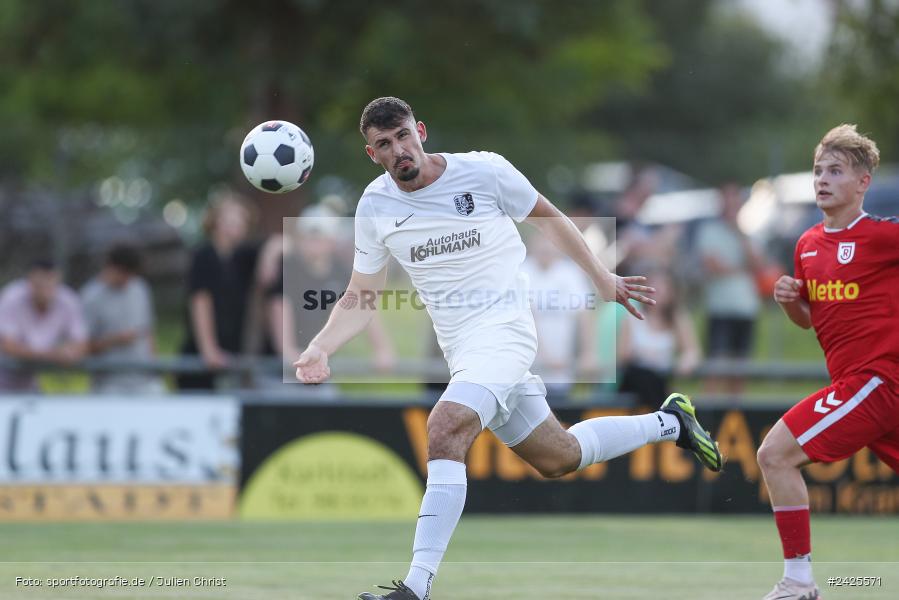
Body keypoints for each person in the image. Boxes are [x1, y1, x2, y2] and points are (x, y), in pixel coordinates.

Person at [293, 97, 723, 600]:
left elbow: (549, 217)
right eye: (384, 145)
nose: (399, 150)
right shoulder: (374, 206)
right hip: (463, 349)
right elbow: (362, 295)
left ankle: (415, 586)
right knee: (559, 456)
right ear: (372, 154)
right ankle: (672, 422)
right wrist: (321, 345)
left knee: (444, 427)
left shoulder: (484, 171)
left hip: (505, 332)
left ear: (422, 131)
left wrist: (601, 277)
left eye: (404, 136)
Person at [758, 124, 899, 600]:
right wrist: (788, 301)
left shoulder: (883, 237)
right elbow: (808, 321)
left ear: (863, 182)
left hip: (878, 381)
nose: (822, 179)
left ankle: (798, 583)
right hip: (863, 389)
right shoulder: (807, 245)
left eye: (835, 171)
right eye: (819, 170)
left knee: (775, 454)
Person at [177, 192, 261, 389]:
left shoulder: (243, 258)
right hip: (201, 358)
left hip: (232, 353)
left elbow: (276, 244)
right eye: (230, 219)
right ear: (215, 221)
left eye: (242, 220)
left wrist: (273, 251)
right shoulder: (204, 255)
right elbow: (200, 300)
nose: (236, 225)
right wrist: (209, 349)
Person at [695, 182, 763, 395]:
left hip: (746, 308)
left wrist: (740, 234)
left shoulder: (748, 233)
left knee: (740, 369)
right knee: (716, 366)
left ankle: (735, 417)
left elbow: (759, 265)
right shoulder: (709, 231)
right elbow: (713, 265)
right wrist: (742, 269)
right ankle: (705, 417)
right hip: (720, 308)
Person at [520, 234, 597, 403]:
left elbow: (584, 315)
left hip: (562, 368)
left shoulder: (570, 273)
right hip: (528, 368)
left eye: (549, 246)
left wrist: (588, 353)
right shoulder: (522, 271)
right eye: (541, 245)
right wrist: (545, 356)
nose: (545, 250)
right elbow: (526, 316)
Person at [80, 243, 164, 393]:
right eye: (124, 274)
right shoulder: (91, 297)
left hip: (144, 380)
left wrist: (154, 368)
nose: (127, 280)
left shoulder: (140, 288)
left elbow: (148, 331)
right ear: (111, 267)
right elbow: (84, 346)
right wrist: (115, 339)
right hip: (109, 384)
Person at [617, 268, 702, 406]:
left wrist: (686, 361)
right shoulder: (632, 316)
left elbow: (692, 351)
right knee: (645, 377)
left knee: (654, 381)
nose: (658, 293)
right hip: (636, 379)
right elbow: (623, 357)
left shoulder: (678, 319)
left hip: (662, 379)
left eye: (663, 288)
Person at [0, 259, 88, 391]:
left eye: (50, 283)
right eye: (40, 284)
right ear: (29, 282)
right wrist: (52, 355)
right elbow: (7, 345)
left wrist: (70, 352)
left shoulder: (68, 300)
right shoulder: (12, 298)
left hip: (31, 382)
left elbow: (81, 343)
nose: (45, 289)